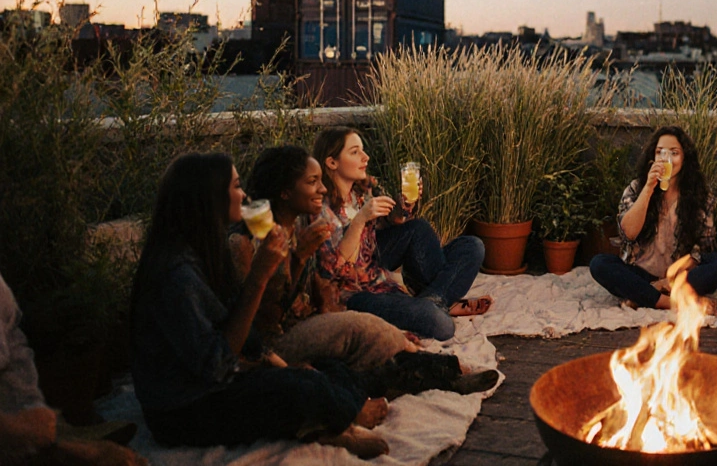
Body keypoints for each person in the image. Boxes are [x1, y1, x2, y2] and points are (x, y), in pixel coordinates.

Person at [130, 153, 388, 458]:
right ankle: (342, 418)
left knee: (325, 369)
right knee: (301, 389)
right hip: (183, 409)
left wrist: (278, 364)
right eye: (237, 187)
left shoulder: (206, 252)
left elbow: (242, 332)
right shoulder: (177, 274)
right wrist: (259, 278)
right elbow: (216, 365)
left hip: (222, 378)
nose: (246, 196)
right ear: (210, 198)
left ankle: (334, 413)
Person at [238, 146, 497, 395]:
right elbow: (269, 314)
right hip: (289, 332)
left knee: (462, 246)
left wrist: (404, 207)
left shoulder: (304, 222)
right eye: (312, 182)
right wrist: (300, 259)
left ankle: (444, 364)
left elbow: (317, 283)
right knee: (367, 331)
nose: (322, 188)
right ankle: (445, 370)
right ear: (285, 192)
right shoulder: (266, 235)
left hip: (340, 298)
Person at [312, 128, 489, 342]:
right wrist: (360, 219)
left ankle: (434, 298)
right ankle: (438, 302)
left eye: (363, 150)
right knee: (442, 326)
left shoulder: (359, 193)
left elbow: (389, 225)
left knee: (471, 245)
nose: (365, 157)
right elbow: (337, 270)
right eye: (355, 152)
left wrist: (403, 208)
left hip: (375, 266)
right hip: (353, 291)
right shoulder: (320, 208)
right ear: (332, 162)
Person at [1, 270, 147, 466]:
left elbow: (15, 346)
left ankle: (70, 436)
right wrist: (16, 430)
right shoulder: (181, 271)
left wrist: (41, 422)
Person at [589, 126, 717, 311]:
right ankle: (670, 302)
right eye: (660, 152)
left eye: (674, 153)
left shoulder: (700, 196)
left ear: (684, 158)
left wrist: (669, 280)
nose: (666, 159)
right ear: (652, 158)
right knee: (599, 264)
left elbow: (704, 247)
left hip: (680, 277)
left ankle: (647, 295)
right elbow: (628, 234)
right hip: (640, 273)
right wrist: (648, 188)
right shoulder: (636, 188)